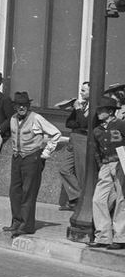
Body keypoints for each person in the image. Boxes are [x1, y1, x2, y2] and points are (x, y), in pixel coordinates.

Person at [4, 91, 64, 236]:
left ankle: (26, 226)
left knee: (28, 192)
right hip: (17, 158)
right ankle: (16, 222)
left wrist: (45, 154)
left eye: (24, 105)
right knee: (15, 192)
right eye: (19, 105)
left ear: (28, 106)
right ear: (15, 107)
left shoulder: (36, 118)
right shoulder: (12, 119)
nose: (21, 108)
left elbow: (56, 133)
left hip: (32, 158)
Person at [89, 93, 125, 250]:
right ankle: (103, 236)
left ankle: (120, 237)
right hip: (105, 165)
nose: (98, 113)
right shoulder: (97, 130)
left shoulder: (121, 125)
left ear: (110, 111)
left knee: (121, 200)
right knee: (98, 199)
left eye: (101, 110)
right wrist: (101, 165)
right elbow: (97, 151)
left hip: (120, 163)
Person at [56, 81, 90, 211]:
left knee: (82, 171)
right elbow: (69, 123)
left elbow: (85, 123)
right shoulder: (81, 106)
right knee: (64, 168)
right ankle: (77, 196)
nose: (81, 93)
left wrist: (78, 111)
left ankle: (80, 202)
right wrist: (79, 122)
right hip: (74, 138)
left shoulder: (92, 107)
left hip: (84, 140)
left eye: (83, 91)